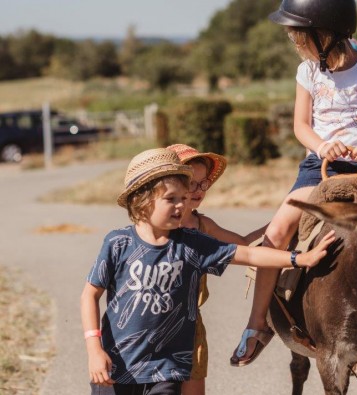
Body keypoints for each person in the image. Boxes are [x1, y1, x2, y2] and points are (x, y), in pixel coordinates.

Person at [80, 148, 335, 394]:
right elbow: (89, 295)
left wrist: (300, 257)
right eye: (172, 198)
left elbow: (248, 252)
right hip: (118, 363)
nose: (182, 204)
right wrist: (94, 349)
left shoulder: (193, 242)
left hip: (169, 364)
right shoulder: (118, 243)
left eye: (184, 196)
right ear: (142, 201)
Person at [231, 0, 357, 366]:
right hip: (319, 165)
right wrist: (322, 146)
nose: (293, 41)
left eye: (298, 35)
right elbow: (300, 126)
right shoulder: (307, 72)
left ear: (325, 34)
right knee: (276, 231)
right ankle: (258, 324)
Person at [166, 144, 267, 395]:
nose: (199, 190)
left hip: (190, 326)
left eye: (204, 184)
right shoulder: (154, 226)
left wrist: (276, 226)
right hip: (152, 322)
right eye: (192, 183)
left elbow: (244, 245)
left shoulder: (202, 225)